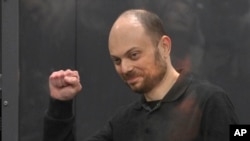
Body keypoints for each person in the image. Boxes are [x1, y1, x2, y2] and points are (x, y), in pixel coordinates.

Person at [44, 9, 238, 141]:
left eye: (134, 55)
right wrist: (60, 105)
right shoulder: (123, 122)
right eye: (117, 60)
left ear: (164, 47)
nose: (126, 68)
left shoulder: (210, 102)